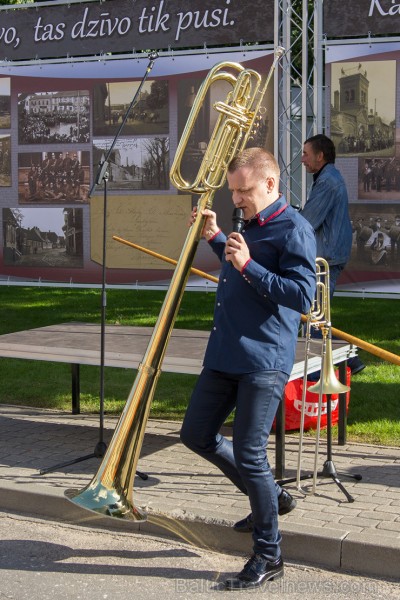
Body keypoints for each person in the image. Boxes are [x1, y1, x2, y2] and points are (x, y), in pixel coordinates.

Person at [180, 148, 316, 590]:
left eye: (244, 190)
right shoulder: (247, 223)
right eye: (232, 190)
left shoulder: (293, 227)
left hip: (262, 359)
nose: (235, 198)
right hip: (224, 352)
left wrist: (247, 263)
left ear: (271, 184)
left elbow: (302, 296)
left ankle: (269, 553)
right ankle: (272, 499)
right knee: (195, 434)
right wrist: (218, 240)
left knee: (251, 454)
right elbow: (241, 271)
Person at [300, 134, 365, 375]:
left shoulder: (327, 181)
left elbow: (307, 221)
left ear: (320, 156)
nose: (302, 159)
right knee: (316, 314)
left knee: (314, 316)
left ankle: (319, 372)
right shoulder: (329, 177)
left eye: (306, 154)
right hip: (329, 255)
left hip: (325, 257)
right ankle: (349, 360)